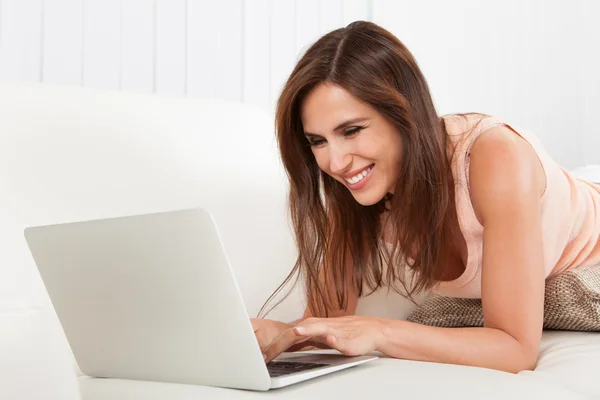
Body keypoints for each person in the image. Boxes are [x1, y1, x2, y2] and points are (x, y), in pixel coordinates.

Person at [250, 21, 600, 373]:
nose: (336, 162)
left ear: (403, 112)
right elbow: (327, 320)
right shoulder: (358, 189)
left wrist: (380, 331)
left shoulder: (495, 157)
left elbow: (515, 350)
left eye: (352, 130)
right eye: (317, 141)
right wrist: (284, 334)